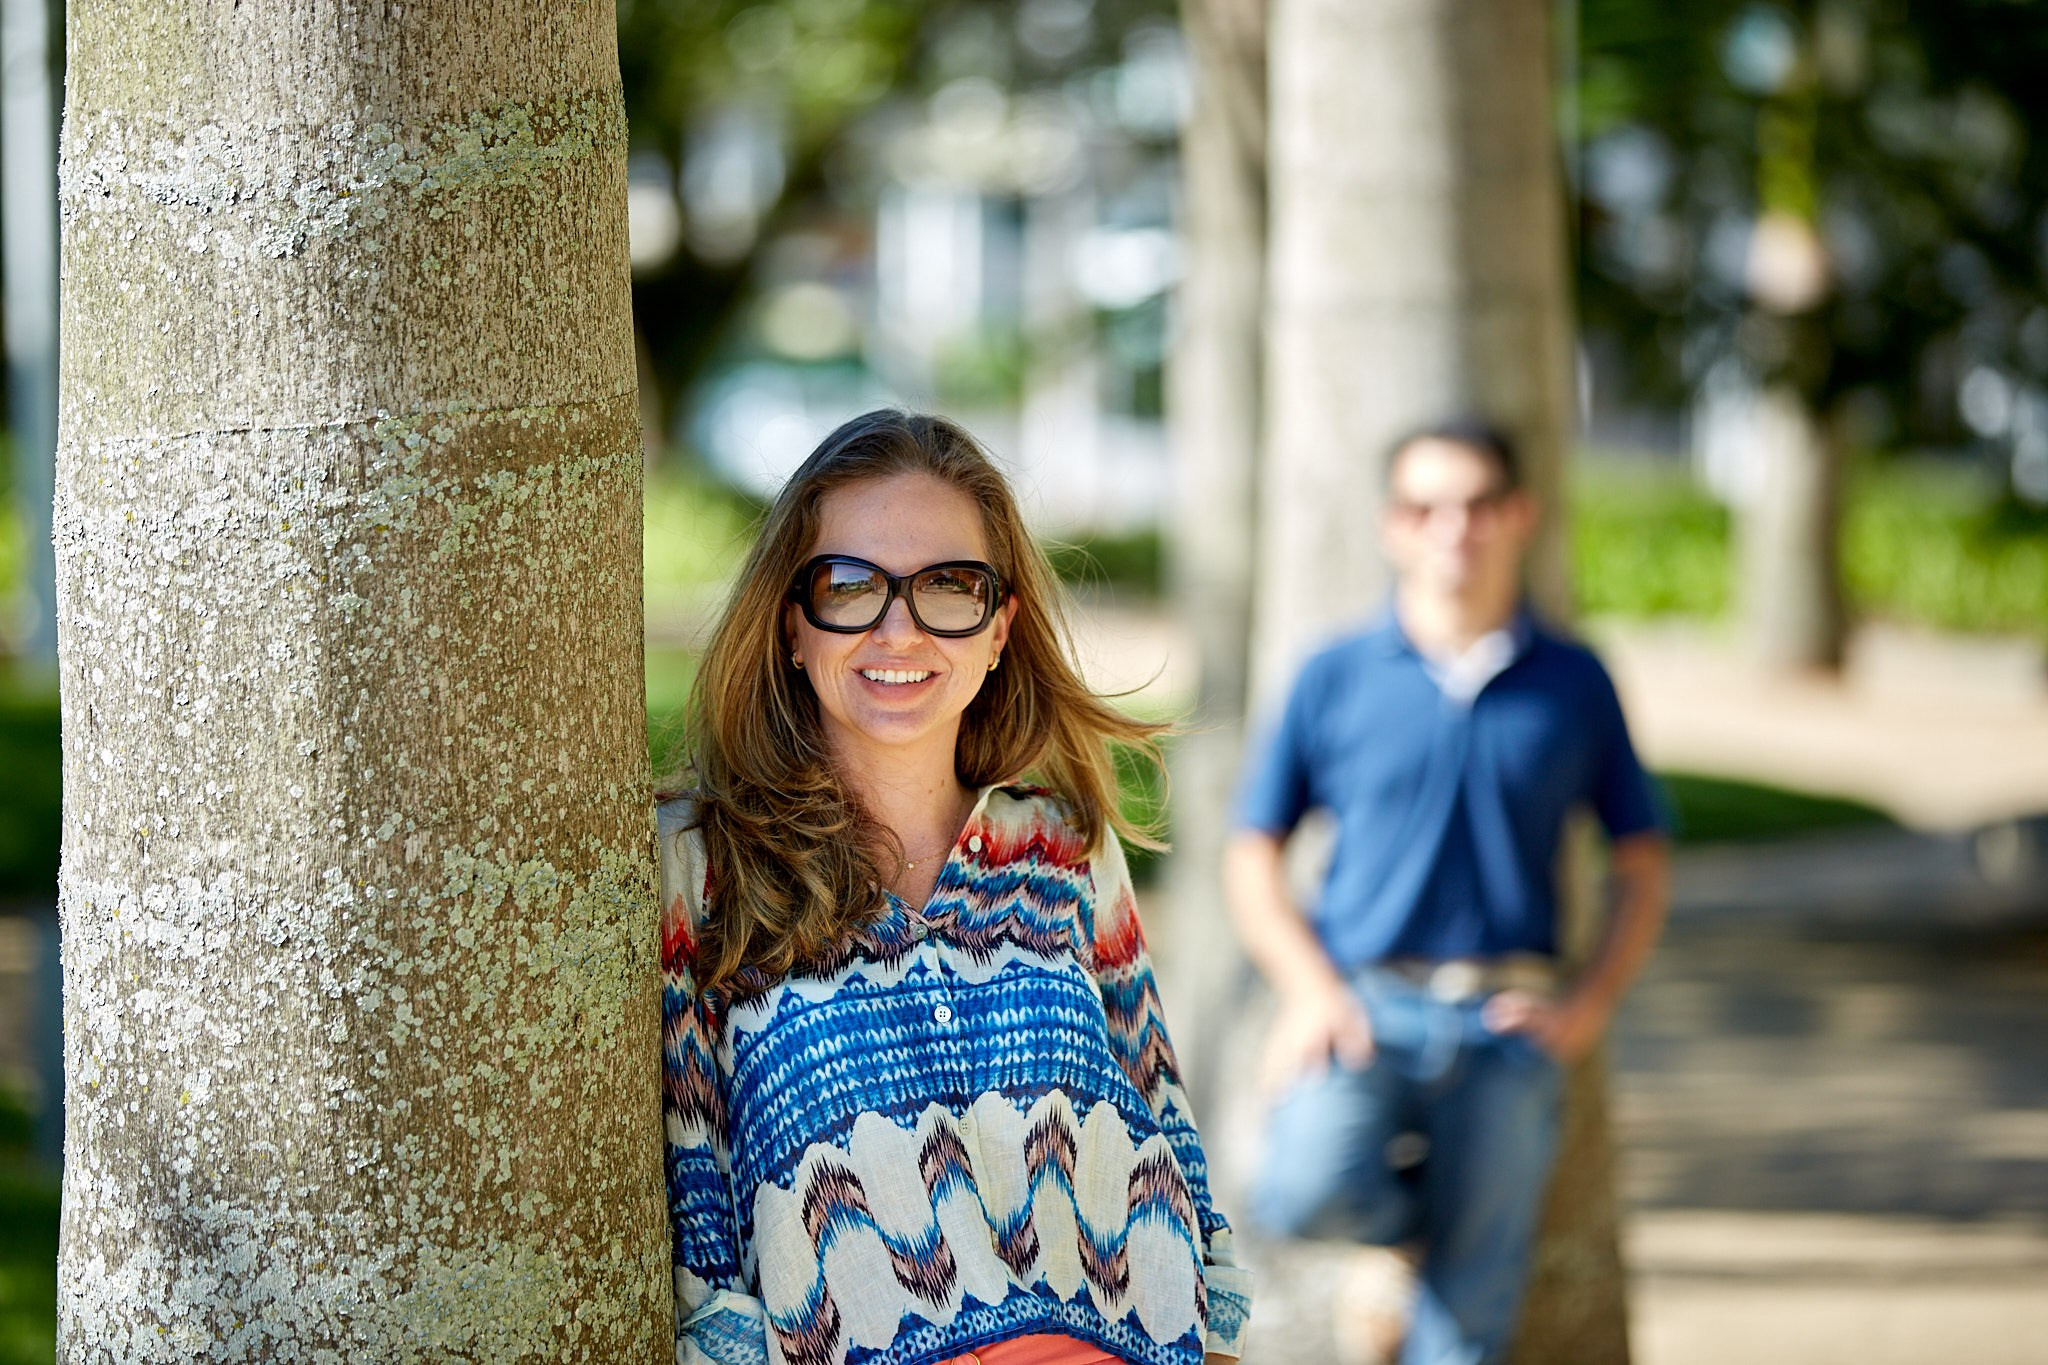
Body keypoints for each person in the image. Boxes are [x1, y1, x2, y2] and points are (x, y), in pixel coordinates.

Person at [660, 409, 1251, 1365]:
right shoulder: (700, 865)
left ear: (999, 628)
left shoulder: (1061, 844)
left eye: (949, 586)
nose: (900, 628)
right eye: (849, 585)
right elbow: (696, 1190)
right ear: (792, 625)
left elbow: (1162, 1118)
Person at [1225, 419, 1671, 1365]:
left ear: (1519, 516)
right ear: (1393, 525)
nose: (1452, 530)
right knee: (1299, 1188)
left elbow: (1642, 860)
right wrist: (1309, 988)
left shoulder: (1574, 681)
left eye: (1476, 506)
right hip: (1362, 1010)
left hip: (1507, 1025)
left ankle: (1445, 1258)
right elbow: (1251, 852)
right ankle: (1406, 1240)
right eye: (1426, 507)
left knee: (1469, 1318)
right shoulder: (1334, 675)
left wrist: (1587, 1007)